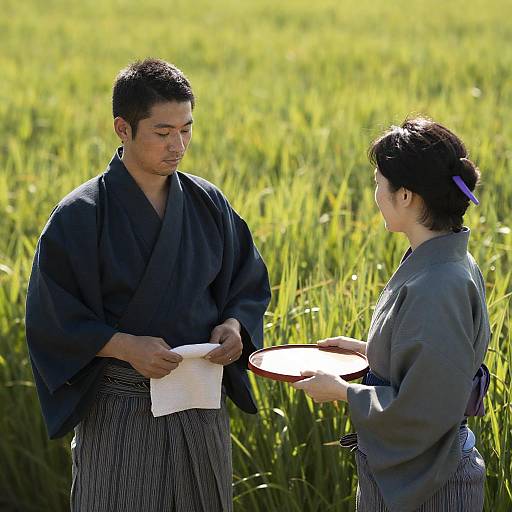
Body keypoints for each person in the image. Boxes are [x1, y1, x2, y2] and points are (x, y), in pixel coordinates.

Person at [25, 58, 271, 512]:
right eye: (162, 133)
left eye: (186, 129)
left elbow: (247, 281)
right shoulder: (81, 215)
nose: (178, 145)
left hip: (200, 402)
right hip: (121, 407)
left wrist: (235, 326)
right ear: (123, 128)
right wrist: (122, 345)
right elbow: (51, 317)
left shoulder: (207, 202)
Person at [293, 117, 490, 511]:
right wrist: (369, 352)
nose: (375, 194)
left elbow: (425, 406)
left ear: (406, 196)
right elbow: (428, 361)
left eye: (379, 183)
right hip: (423, 473)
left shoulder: (439, 283)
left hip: (433, 486)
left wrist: (343, 391)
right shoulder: (443, 258)